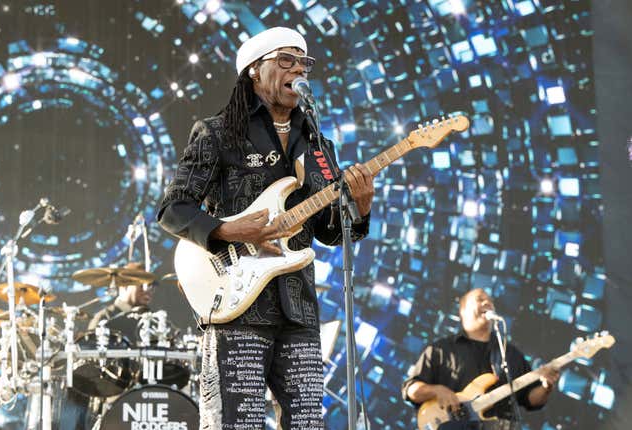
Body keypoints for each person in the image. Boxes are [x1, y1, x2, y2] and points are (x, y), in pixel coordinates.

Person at [158, 26, 374, 429]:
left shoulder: (318, 146)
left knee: (309, 422)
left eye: (303, 62)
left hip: (299, 309)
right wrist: (230, 231)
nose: (298, 69)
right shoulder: (219, 133)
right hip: (238, 306)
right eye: (285, 60)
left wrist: (359, 209)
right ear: (255, 71)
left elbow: (330, 234)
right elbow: (174, 209)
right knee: (237, 423)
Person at [402, 288, 560, 429]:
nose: (487, 302)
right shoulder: (441, 349)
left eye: (490, 301)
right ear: (462, 311)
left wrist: (546, 387)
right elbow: (411, 389)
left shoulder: (510, 354)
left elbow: (530, 399)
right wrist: (436, 390)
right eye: (480, 299)